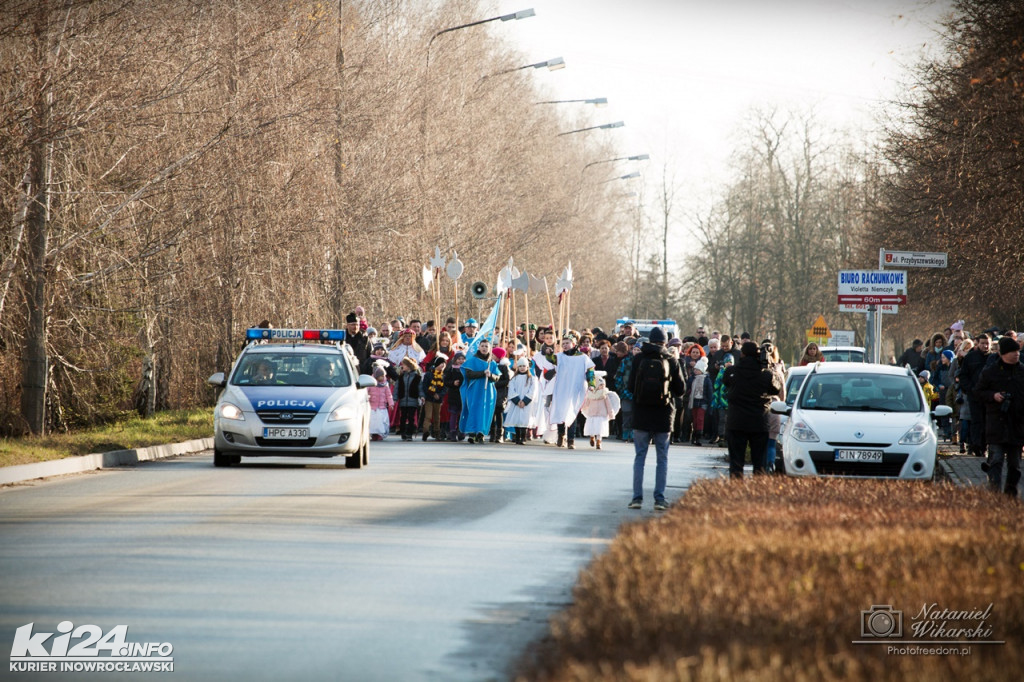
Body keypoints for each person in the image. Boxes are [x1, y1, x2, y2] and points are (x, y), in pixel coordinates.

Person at [627, 326, 686, 510]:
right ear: (665, 342)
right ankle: (659, 499)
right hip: (663, 415)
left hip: (641, 414)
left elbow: (630, 386)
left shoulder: (638, 358)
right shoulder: (671, 360)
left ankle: (637, 498)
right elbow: (681, 389)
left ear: (648, 340)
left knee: (640, 456)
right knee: (662, 458)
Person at [721, 341, 783, 478]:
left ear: (742, 353)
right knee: (759, 463)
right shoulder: (766, 374)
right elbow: (776, 388)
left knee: (736, 462)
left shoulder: (732, 371)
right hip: (759, 422)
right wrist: (771, 368)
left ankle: (735, 491)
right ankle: (757, 493)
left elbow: (726, 383)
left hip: (736, 421)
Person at [975, 336, 1024, 496]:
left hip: (1017, 425)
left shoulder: (1022, 371)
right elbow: (978, 392)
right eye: (1012, 351)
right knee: (996, 460)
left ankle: (1010, 494)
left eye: (1017, 351)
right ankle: (994, 494)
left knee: (1015, 464)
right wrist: (993, 396)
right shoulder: (990, 372)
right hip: (996, 423)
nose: (1016, 354)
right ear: (1003, 354)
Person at [547, 333, 596, 449]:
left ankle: (571, 439)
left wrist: (591, 384)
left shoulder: (583, 357)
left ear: (573, 344)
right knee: (560, 411)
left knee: (571, 412)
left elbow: (590, 371)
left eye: (567, 343)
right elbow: (552, 359)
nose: (565, 345)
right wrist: (549, 353)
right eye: (563, 344)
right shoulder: (560, 356)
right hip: (562, 388)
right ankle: (561, 435)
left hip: (575, 388)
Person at [459, 338, 499, 444]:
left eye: (486, 346)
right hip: (475, 390)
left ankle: (480, 433)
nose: (484, 348)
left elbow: (497, 377)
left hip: (487, 391)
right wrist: (482, 373)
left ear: (489, 348)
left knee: (484, 411)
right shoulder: (472, 360)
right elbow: (469, 374)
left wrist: (490, 375)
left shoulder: (492, 363)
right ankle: (472, 433)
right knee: (474, 409)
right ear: (479, 347)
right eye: (482, 346)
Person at [959, 333, 991, 457]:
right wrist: (969, 389)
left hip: (989, 396)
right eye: (983, 343)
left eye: (987, 343)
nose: (985, 346)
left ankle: (984, 446)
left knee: (987, 422)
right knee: (976, 421)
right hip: (974, 395)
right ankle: (976, 446)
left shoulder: (993, 358)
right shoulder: (971, 358)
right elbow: (963, 375)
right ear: (977, 343)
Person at [582, 372, 619, 449]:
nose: (602, 387)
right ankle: (592, 437)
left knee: (600, 429)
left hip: (602, 415)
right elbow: (587, 403)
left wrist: (611, 413)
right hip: (592, 414)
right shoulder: (591, 394)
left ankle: (599, 441)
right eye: (600, 385)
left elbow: (608, 405)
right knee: (592, 427)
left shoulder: (604, 395)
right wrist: (583, 408)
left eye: (603, 385)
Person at [505, 357, 538, 445]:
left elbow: (533, 390)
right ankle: (517, 436)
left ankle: (523, 437)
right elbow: (511, 390)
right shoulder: (514, 379)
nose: (522, 368)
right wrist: (517, 401)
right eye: (520, 366)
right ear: (517, 367)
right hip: (517, 403)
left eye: (524, 366)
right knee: (516, 419)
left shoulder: (531, 379)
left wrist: (525, 401)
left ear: (527, 367)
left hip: (526, 403)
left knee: (524, 420)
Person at [421, 354, 447, 441]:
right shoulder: (429, 374)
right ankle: (425, 431)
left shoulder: (443, 376)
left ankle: (437, 433)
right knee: (428, 416)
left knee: (437, 417)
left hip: (438, 400)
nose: (442, 366)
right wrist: (433, 393)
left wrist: (439, 395)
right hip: (429, 398)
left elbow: (445, 388)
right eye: (441, 364)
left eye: (444, 364)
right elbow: (425, 386)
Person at [396, 357, 422, 441]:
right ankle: (403, 432)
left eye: (404, 365)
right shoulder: (401, 377)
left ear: (409, 366)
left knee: (411, 417)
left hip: (413, 400)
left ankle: (409, 433)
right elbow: (397, 387)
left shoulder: (417, 377)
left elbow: (420, 388)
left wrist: (422, 396)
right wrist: (395, 398)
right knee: (403, 417)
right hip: (403, 400)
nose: (402, 366)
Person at [711, 353, 733, 446]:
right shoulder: (722, 372)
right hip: (721, 401)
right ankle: (721, 436)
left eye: (730, 362)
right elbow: (716, 385)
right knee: (722, 419)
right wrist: (715, 400)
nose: (728, 363)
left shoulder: (734, 372)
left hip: (731, 401)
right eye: (727, 361)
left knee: (730, 420)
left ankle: (728, 437)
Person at [367, 367, 395, 441]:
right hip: (373, 407)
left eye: (384, 376)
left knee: (381, 422)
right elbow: (366, 392)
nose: (383, 377)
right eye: (381, 376)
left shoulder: (385, 385)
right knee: (373, 422)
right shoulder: (370, 384)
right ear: (376, 376)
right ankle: (374, 434)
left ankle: (379, 434)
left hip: (382, 406)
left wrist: (391, 404)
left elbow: (388, 395)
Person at [444, 352, 467, 441]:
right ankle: (452, 432)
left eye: (462, 359)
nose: (461, 361)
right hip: (454, 395)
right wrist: (452, 383)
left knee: (462, 414)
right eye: (459, 359)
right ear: (455, 360)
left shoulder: (466, 369)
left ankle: (462, 431)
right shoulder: (451, 370)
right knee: (453, 414)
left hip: (463, 395)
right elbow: (446, 381)